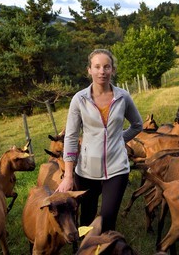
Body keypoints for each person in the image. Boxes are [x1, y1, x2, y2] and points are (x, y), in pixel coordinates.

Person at [56, 49, 143, 233]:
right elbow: (71, 137)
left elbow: (137, 125)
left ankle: (103, 248)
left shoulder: (123, 97)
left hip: (117, 168)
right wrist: (69, 175)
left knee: (107, 220)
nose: (102, 71)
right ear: (89, 70)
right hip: (87, 170)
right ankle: (84, 250)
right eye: (97, 67)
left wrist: (119, 140)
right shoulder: (79, 99)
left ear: (112, 70)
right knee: (86, 219)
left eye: (106, 66)